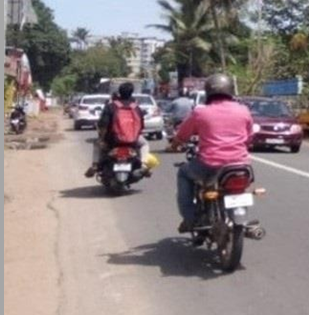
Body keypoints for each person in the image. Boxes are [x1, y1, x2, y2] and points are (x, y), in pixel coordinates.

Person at [169, 73, 253, 234]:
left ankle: (190, 218)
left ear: (208, 92)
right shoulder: (244, 111)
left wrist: (175, 145)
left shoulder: (201, 112)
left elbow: (182, 136)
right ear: (230, 90)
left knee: (184, 173)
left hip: (209, 165)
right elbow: (249, 138)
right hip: (240, 165)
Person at [85, 83, 151, 178]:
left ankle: (95, 165)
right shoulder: (136, 107)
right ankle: (144, 165)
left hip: (112, 139)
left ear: (119, 92)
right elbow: (141, 126)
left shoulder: (111, 106)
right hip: (132, 141)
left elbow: (103, 125)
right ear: (132, 93)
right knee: (145, 144)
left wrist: (102, 139)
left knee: (97, 144)